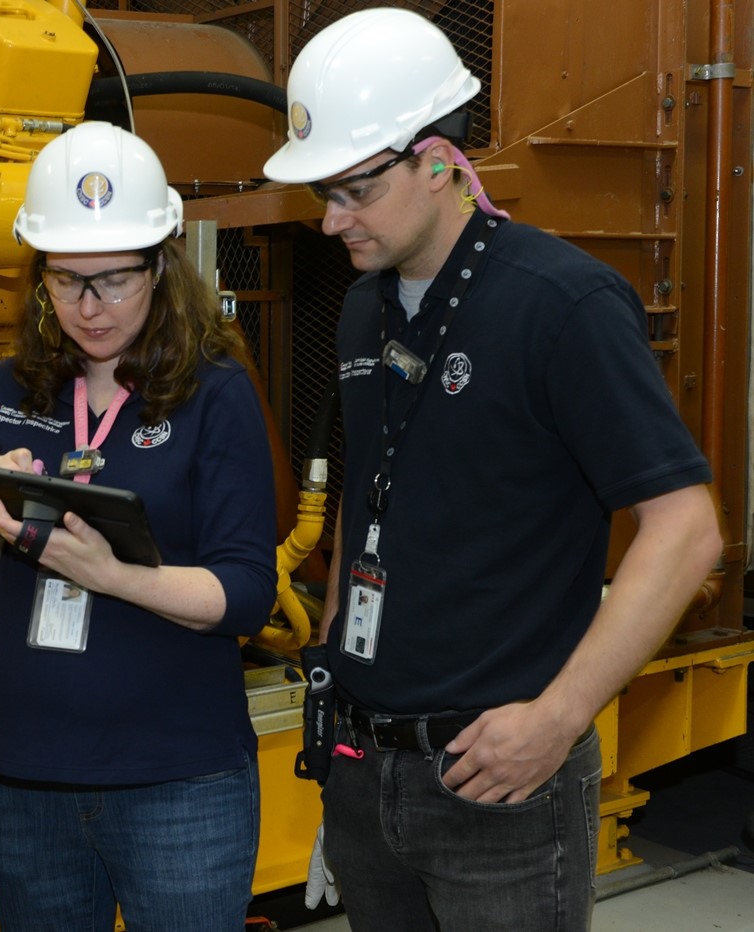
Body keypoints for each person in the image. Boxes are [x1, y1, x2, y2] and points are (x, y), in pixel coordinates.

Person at [262, 8, 722, 931]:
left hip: (498, 784)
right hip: (362, 765)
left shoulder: (565, 304)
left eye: (352, 190)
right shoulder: (364, 308)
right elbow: (372, 490)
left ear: (437, 162)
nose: (328, 219)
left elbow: (687, 527)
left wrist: (558, 719)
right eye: (324, 192)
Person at [0, 121, 279, 931]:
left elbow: (245, 593)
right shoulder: (11, 389)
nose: (91, 307)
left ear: (160, 266)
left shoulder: (214, 393)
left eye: (116, 281)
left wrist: (107, 572)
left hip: (176, 787)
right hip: (28, 784)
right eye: (67, 281)